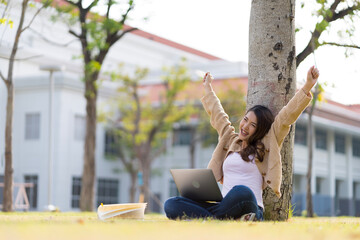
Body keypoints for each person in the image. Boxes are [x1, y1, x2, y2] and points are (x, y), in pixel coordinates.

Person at [164, 66, 320, 221]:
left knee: (241, 191)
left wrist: (307, 86)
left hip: (248, 203)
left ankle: (209, 219)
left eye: (253, 125)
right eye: (245, 120)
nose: (245, 126)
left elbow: (286, 117)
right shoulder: (230, 139)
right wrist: (207, 88)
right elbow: (218, 114)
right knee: (172, 203)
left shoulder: (267, 143)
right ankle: (218, 219)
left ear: (260, 130)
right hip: (224, 205)